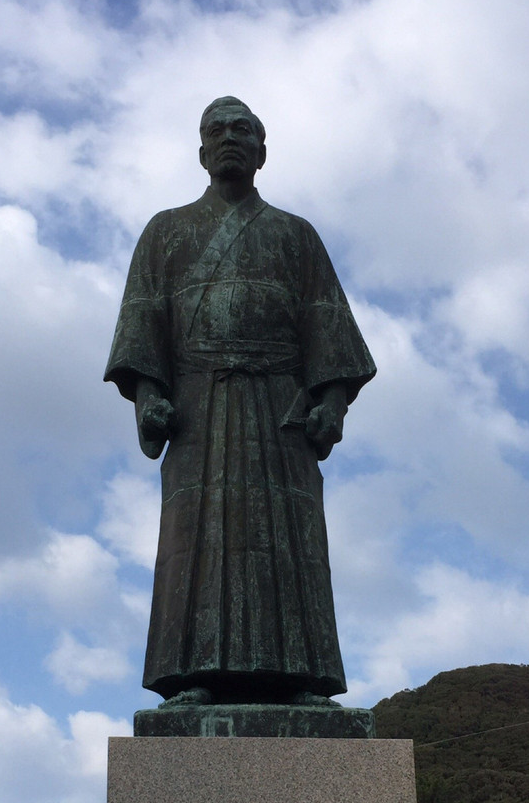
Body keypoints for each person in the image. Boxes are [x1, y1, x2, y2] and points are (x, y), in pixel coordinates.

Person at [105, 96, 375, 706]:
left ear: (261, 149)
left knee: (291, 542)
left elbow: (329, 329)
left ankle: (302, 675)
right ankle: (191, 672)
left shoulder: (295, 235)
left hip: (281, 408)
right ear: (201, 151)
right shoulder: (166, 231)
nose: (229, 138)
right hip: (199, 408)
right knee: (194, 539)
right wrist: (149, 396)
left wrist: (330, 405)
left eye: (242, 129)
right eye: (216, 130)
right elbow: (142, 327)